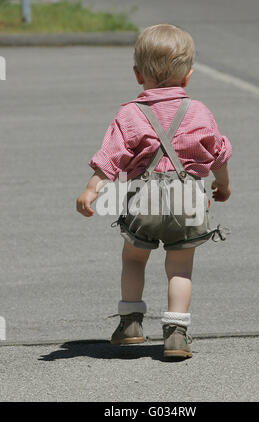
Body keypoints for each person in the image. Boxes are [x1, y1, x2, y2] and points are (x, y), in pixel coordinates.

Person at [76, 24, 232, 359]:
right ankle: (176, 334)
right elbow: (219, 153)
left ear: (137, 74)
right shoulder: (200, 112)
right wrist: (224, 185)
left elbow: (110, 158)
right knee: (180, 268)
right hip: (188, 204)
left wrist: (91, 190)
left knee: (133, 259)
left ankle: (131, 323)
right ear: (188, 76)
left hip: (142, 201)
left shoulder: (130, 113)